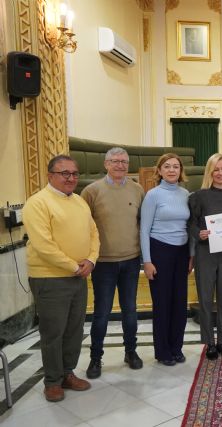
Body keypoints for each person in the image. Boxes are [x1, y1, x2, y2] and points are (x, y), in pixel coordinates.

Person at [23, 155, 100, 402]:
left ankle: (67, 373)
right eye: (64, 173)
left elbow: (93, 233)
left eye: (74, 173)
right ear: (50, 175)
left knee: (74, 330)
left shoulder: (79, 202)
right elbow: (43, 245)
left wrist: (91, 260)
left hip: (78, 275)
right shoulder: (37, 203)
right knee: (53, 332)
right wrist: (73, 266)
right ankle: (52, 381)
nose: (71, 178)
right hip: (50, 278)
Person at [81, 148, 145, 379]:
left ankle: (131, 352)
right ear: (106, 163)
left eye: (124, 162)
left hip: (130, 260)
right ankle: (95, 358)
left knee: (130, 310)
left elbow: (143, 224)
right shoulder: (92, 191)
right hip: (104, 263)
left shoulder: (137, 189)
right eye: (115, 161)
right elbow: (83, 226)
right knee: (102, 313)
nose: (120, 165)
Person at [188, 154, 222, 360]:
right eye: (216, 169)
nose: (220, 173)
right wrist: (198, 233)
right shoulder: (199, 196)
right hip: (206, 253)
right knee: (204, 298)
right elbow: (192, 223)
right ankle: (209, 342)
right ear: (210, 172)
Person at [140, 153, 191, 366]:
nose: (172, 170)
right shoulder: (153, 195)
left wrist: (190, 256)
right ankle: (163, 351)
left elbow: (189, 226)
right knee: (162, 304)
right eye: (167, 166)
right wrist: (147, 261)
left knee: (180, 303)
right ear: (159, 170)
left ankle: (176, 348)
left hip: (182, 252)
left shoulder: (186, 194)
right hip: (159, 251)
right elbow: (143, 230)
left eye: (176, 166)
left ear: (181, 171)